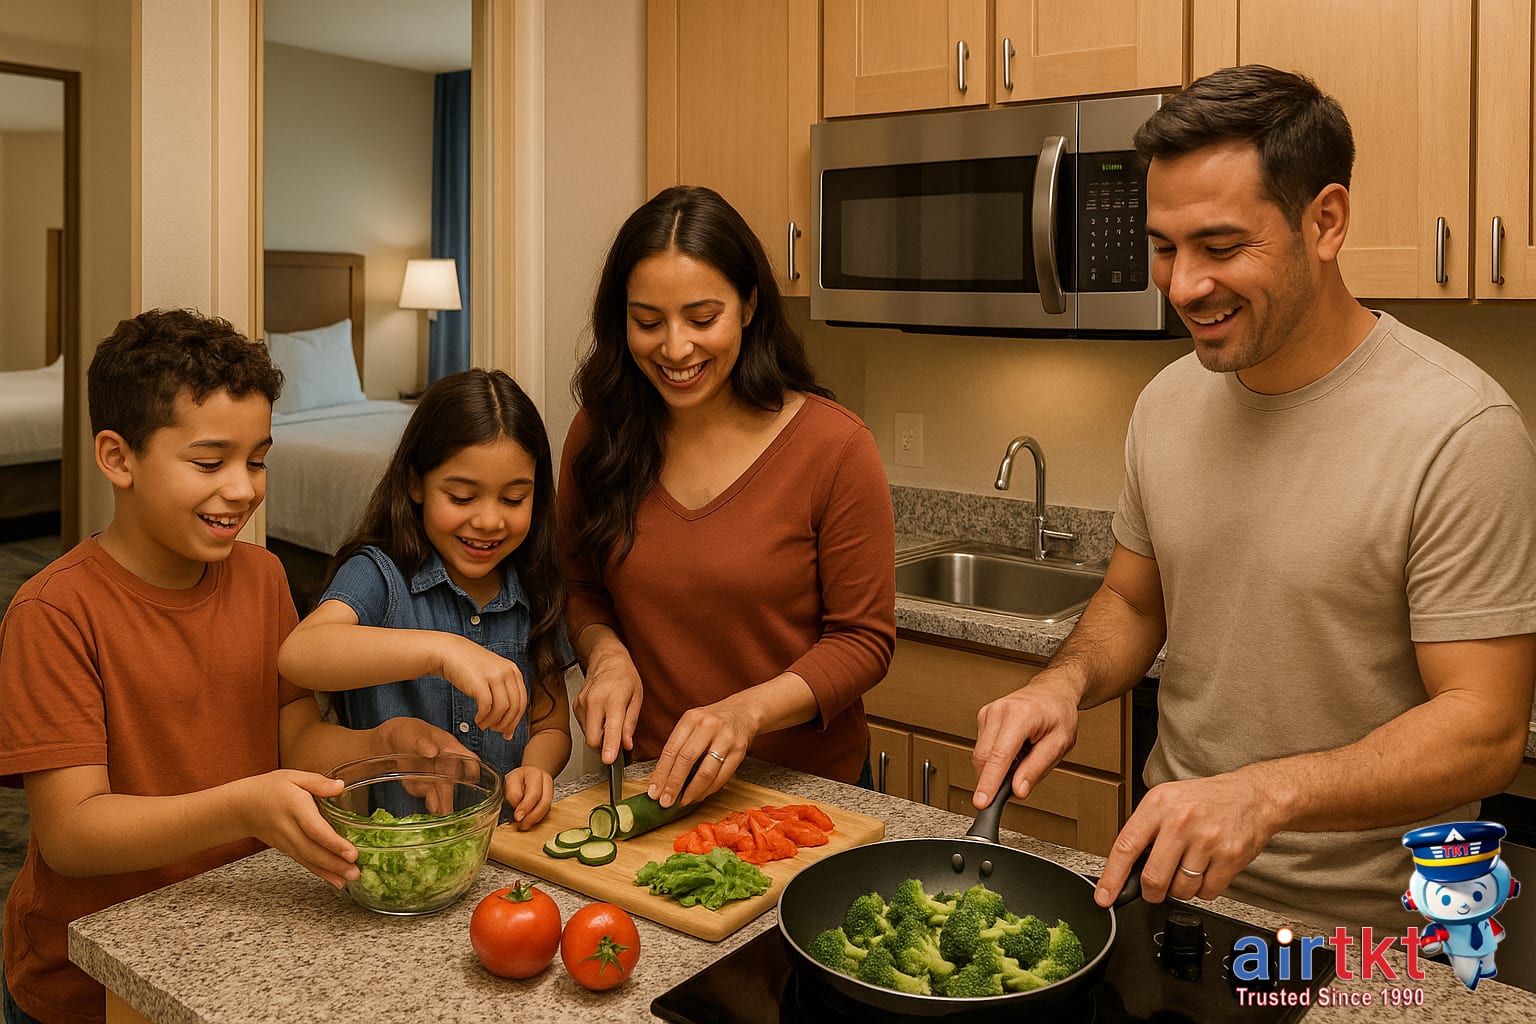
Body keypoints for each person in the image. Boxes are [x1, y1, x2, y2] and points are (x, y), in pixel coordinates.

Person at [970, 65, 1536, 932]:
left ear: (1327, 221)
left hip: (1367, 931)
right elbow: (1132, 597)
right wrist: (1062, 684)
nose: (1184, 285)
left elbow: (1486, 728)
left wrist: (1264, 796)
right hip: (1171, 891)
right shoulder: (1168, 401)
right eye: (1164, 247)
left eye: (1223, 247)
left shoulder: (1460, 430)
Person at [0, 309, 468, 1024]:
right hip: (87, 976)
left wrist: (380, 748)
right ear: (118, 458)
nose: (245, 489)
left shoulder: (263, 577)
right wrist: (242, 806)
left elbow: (293, 734)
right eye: (209, 461)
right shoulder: (54, 613)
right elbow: (71, 836)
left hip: (229, 932)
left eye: (257, 458)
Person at [558, 185, 896, 809]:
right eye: (647, 322)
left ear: (748, 307)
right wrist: (604, 656)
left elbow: (863, 641)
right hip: (654, 788)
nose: (675, 348)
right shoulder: (599, 433)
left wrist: (745, 713)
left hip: (810, 796)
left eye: (702, 318)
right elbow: (581, 587)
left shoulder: (834, 447)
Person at [279, 369, 571, 830]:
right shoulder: (379, 574)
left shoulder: (536, 586)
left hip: (504, 854)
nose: (489, 520)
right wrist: (442, 652)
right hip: (394, 855)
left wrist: (536, 768)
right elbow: (300, 655)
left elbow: (550, 725)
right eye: (461, 496)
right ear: (416, 483)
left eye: (514, 499)